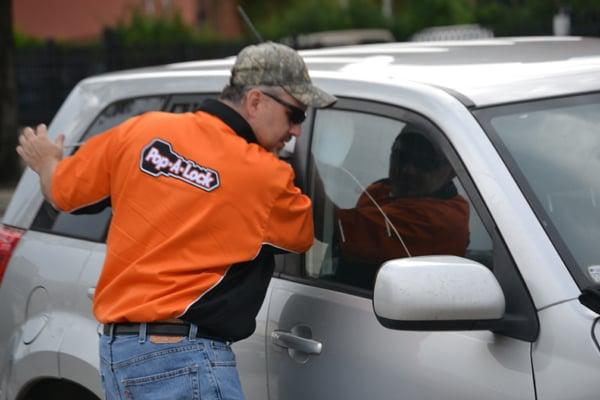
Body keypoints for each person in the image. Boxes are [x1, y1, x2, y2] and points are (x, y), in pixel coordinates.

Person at [16, 41, 336, 400]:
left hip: (118, 356)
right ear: (256, 101)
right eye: (296, 115)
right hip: (187, 361)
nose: (296, 131)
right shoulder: (266, 176)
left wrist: (46, 162)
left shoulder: (140, 130)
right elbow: (308, 233)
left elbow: (62, 191)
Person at [331, 130, 470, 288]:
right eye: (401, 156)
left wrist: (301, 168)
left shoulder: (443, 218)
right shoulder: (381, 190)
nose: (408, 171)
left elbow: (333, 225)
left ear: (451, 170)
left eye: (425, 162)